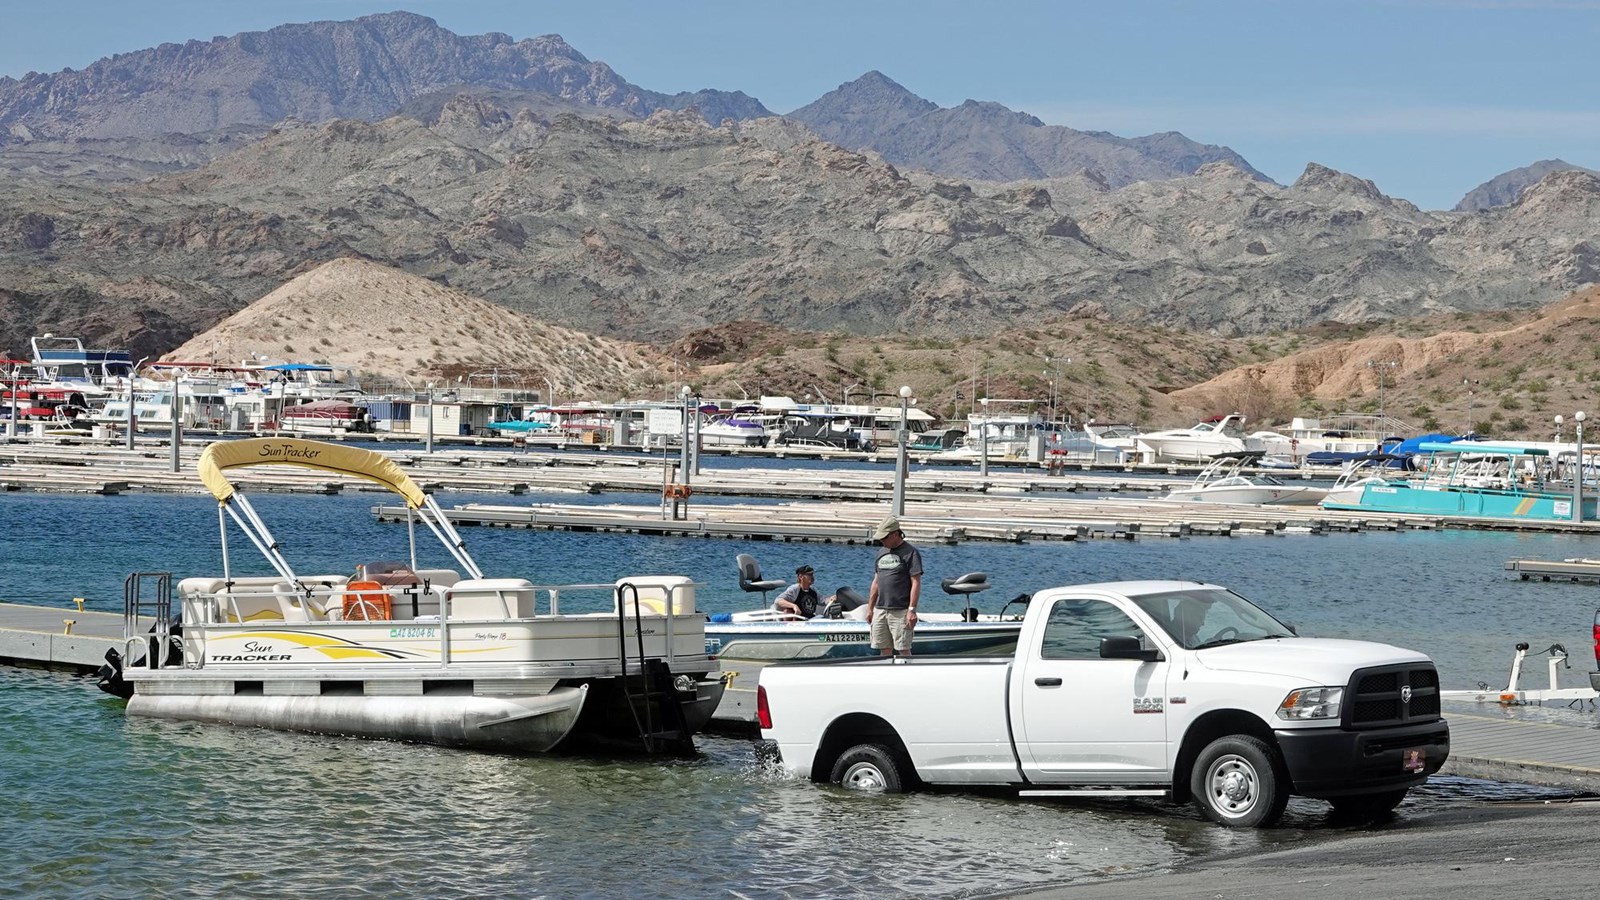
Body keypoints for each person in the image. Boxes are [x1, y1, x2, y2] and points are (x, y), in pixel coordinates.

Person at [866, 515, 922, 657]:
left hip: (900, 610)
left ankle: (908, 674)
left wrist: (912, 610)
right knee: (883, 648)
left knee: (903, 648)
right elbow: (876, 582)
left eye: (885, 538)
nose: (882, 541)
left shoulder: (911, 553)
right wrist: (870, 609)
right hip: (880, 609)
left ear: (895, 534)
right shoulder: (881, 553)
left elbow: (916, 582)